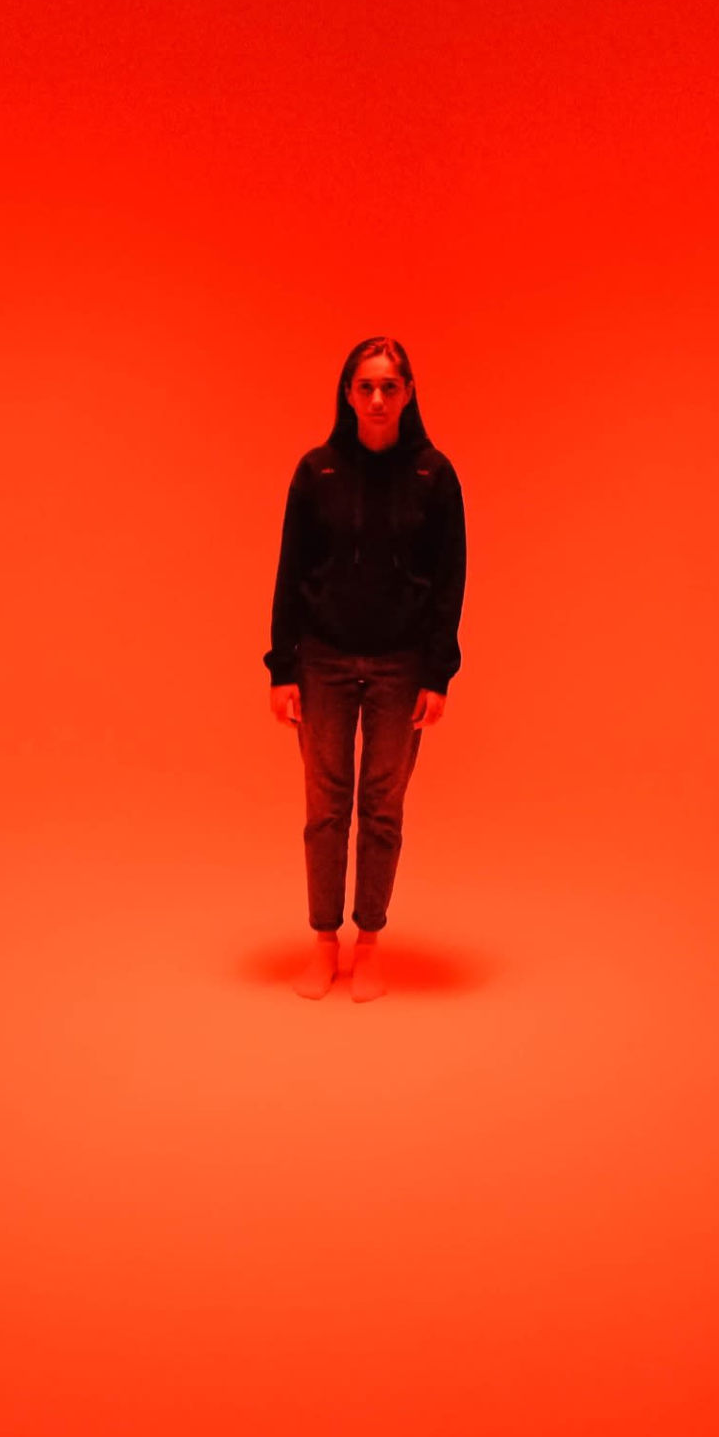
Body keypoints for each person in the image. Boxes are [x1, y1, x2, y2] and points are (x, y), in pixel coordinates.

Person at [266, 337, 465, 1002]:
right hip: (321, 661)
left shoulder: (433, 477)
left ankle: (369, 943)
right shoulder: (315, 472)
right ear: (347, 394)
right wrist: (281, 666)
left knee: (381, 809)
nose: (377, 398)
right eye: (365, 386)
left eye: (389, 386)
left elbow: (449, 582)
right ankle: (324, 944)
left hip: (400, 667)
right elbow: (290, 571)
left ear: (408, 395)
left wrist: (438, 674)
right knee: (326, 808)